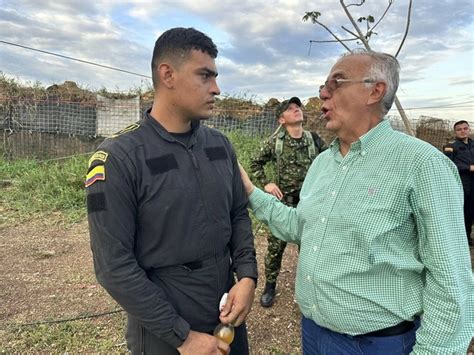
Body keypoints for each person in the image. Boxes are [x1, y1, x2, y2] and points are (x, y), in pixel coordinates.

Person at [239, 50, 474, 354]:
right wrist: (249, 191)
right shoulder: (323, 163)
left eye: (336, 83)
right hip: (313, 334)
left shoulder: (422, 164)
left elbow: (450, 281)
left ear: (375, 91)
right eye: (323, 86)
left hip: (377, 344)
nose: (322, 93)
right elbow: (301, 226)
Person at [86, 27, 258, 355]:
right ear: (168, 75)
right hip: (165, 328)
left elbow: (238, 213)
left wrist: (247, 276)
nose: (217, 88)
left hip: (227, 316)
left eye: (215, 76)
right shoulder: (119, 157)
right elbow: (113, 265)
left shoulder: (220, 146)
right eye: (205, 76)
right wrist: (182, 337)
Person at [249, 97, 326, 307]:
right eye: (290, 109)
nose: (296, 110)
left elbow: (330, 162)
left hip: (308, 205)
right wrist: (267, 183)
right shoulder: (276, 142)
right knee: (275, 249)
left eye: (297, 107)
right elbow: (255, 162)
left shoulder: (314, 140)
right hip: (283, 205)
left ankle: (309, 289)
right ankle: (270, 286)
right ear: (281, 120)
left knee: (310, 249)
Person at [443, 120, 474, 246]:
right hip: (462, 183)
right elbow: (449, 165)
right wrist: (468, 168)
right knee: (463, 211)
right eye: (459, 129)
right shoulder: (451, 147)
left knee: (471, 211)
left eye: (465, 128)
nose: (462, 131)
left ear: (469, 130)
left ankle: (468, 236)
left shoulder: (473, 145)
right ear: (455, 132)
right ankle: (462, 238)